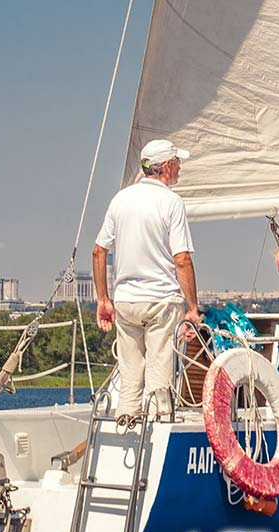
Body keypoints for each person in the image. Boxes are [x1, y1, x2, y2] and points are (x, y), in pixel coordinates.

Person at [93, 138, 201, 422]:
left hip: (126, 301)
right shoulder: (171, 202)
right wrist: (193, 308)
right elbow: (182, 259)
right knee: (159, 374)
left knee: (130, 374)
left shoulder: (120, 199)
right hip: (161, 300)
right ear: (166, 166)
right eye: (177, 163)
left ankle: (126, 423)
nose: (180, 168)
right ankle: (157, 425)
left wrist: (103, 300)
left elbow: (99, 251)